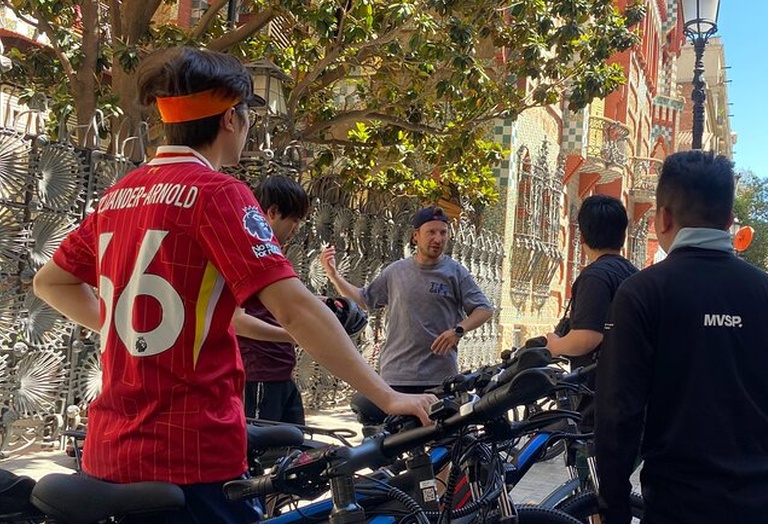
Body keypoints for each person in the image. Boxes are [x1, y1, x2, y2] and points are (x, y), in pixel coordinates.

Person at [32, 46, 434, 524]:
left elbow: (50, 282)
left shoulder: (119, 194)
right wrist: (388, 396)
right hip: (190, 454)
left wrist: (122, 325)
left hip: (109, 449)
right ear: (230, 119)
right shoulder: (218, 194)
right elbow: (296, 310)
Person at [595, 150, 768, 524]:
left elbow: (618, 414)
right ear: (729, 220)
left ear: (663, 218)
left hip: (681, 505)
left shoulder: (642, 294)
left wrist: (611, 507)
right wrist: (765, 465)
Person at [319, 206, 494, 395]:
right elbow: (364, 299)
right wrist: (334, 276)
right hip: (396, 375)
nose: (438, 239)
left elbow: (484, 309)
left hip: (439, 378)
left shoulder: (455, 272)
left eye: (443, 233)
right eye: (431, 232)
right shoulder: (395, 271)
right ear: (416, 236)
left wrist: (458, 331)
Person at [232, 175, 309, 424]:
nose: (296, 228)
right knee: (260, 455)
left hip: (282, 374)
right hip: (257, 376)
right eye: (294, 220)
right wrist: (293, 335)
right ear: (273, 212)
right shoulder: (243, 253)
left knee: (297, 452)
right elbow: (237, 321)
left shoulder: (273, 254)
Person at [544, 195, 638, 365]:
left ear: (582, 236)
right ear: (623, 235)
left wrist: (555, 346)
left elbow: (586, 337)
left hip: (597, 384)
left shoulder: (595, 277)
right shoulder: (633, 273)